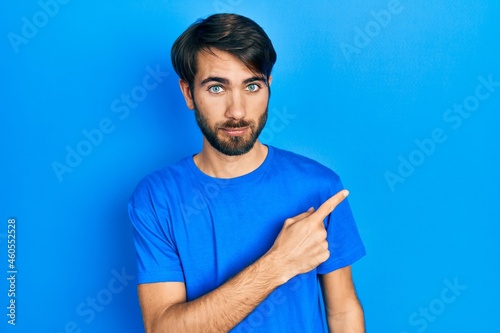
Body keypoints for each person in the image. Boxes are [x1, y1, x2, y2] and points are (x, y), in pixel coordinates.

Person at [128, 13, 366, 332]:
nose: (237, 111)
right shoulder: (156, 198)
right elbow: (162, 328)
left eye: (252, 85)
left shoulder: (319, 186)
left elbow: (343, 310)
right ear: (188, 94)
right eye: (216, 88)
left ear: (268, 86)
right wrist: (278, 264)